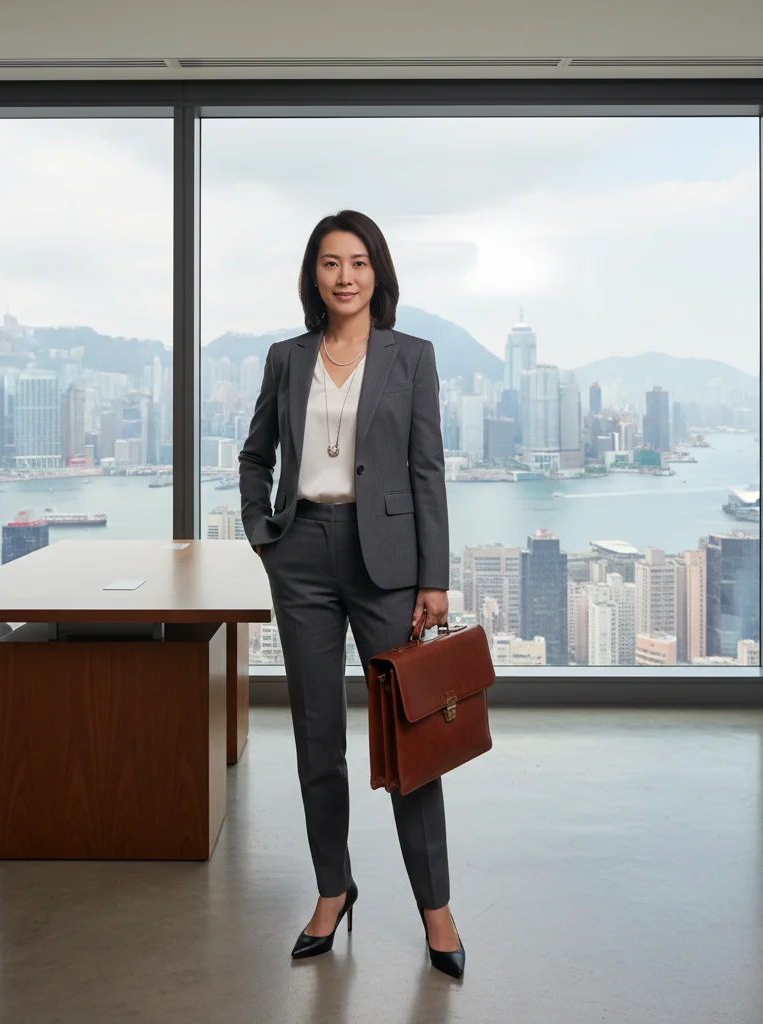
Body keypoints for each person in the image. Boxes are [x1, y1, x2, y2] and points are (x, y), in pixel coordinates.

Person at [238, 209, 464, 978]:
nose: (344, 277)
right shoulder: (287, 357)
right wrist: (262, 533)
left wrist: (434, 575)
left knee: (414, 741)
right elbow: (255, 454)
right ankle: (333, 890)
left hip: (390, 566)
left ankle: (436, 911)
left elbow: (427, 469)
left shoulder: (412, 356)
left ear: (379, 274)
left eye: (359, 262)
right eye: (330, 263)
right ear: (314, 276)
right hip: (301, 554)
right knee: (316, 738)